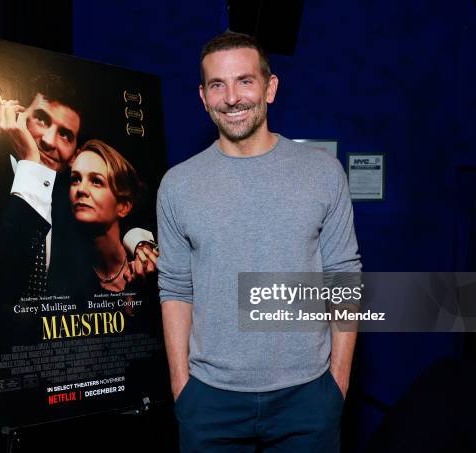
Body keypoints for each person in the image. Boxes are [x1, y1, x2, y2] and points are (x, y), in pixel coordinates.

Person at [157, 32, 361, 452]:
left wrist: (336, 384)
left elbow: (344, 276)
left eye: (245, 81)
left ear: (270, 87)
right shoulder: (177, 185)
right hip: (209, 401)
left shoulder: (323, 174)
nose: (232, 98)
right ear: (203, 96)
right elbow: (175, 289)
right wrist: (182, 387)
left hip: (307, 398)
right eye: (218, 85)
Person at [0, 74, 157, 299]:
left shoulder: (71, 200)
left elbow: (116, 217)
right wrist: (30, 163)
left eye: (65, 135)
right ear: (19, 116)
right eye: (41, 119)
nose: (48, 140)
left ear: (74, 156)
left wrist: (138, 242)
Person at [67, 139, 157, 293]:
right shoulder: (66, 274)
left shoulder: (150, 260)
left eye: (96, 181)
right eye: (75, 179)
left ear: (123, 206)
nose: (80, 189)